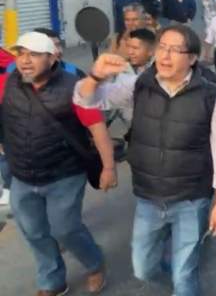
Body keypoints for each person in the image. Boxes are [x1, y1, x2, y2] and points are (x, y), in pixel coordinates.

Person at [75, 25, 216, 296]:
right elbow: (88, 100)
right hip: (149, 197)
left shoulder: (210, 96)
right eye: (162, 47)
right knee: (143, 268)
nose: (165, 55)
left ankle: (184, 281)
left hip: (191, 197)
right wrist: (95, 77)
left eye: (175, 50)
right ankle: (177, 273)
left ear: (192, 58)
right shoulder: (140, 85)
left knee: (184, 275)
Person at [2, 32, 117, 296]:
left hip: (64, 175)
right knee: (33, 232)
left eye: (33, 54)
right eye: (21, 54)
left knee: (65, 229)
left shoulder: (74, 87)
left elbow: (97, 128)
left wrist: (109, 168)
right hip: (22, 175)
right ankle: (52, 281)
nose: (25, 61)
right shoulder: (8, 83)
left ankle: (95, 263)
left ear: (52, 58)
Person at [7, 28, 86, 78]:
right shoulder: (12, 71)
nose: (57, 51)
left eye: (58, 45)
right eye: (50, 46)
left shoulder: (74, 73)